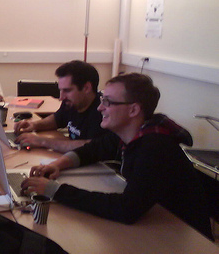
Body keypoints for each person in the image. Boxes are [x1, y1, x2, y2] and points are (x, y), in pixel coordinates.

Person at [21, 73, 213, 240]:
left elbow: (126, 209)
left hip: (181, 235)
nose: (99, 108)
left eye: (108, 102)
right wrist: (58, 165)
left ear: (133, 110)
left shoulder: (155, 148)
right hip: (155, 221)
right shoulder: (127, 133)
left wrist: (56, 190)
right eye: (102, 99)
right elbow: (92, 150)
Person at [14, 60, 111, 152]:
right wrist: (34, 125)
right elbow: (57, 119)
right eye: (61, 90)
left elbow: (91, 146)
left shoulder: (103, 112)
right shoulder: (72, 103)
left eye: (67, 90)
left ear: (86, 88)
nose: (61, 97)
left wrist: (42, 141)